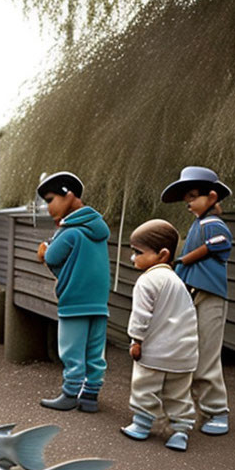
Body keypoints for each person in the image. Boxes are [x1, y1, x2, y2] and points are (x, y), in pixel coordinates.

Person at [161, 166, 233, 436]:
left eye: (193, 196)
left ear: (211, 196)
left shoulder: (213, 224)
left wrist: (183, 260)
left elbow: (217, 244)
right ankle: (190, 405)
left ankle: (217, 410)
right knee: (189, 349)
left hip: (209, 294)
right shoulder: (197, 225)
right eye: (187, 198)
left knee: (206, 354)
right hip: (192, 291)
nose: (189, 203)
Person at [35, 172, 110, 412]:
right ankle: (90, 396)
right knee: (94, 351)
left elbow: (53, 257)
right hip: (99, 302)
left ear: (68, 195)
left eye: (50, 199)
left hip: (75, 300)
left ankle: (70, 393)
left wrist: (45, 249)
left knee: (71, 349)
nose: (48, 207)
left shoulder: (71, 231)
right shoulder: (97, 229)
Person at [122, 219, 198, 452]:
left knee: (145, 386)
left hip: (155, 351)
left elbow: (141, 316)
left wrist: (136, 340)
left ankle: (142, 424)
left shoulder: (147, 281)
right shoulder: (178, 282)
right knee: (178, 393)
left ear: (162, 254)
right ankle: (180, 431)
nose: (133, 257)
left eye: (138, 252)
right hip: (184, 353)